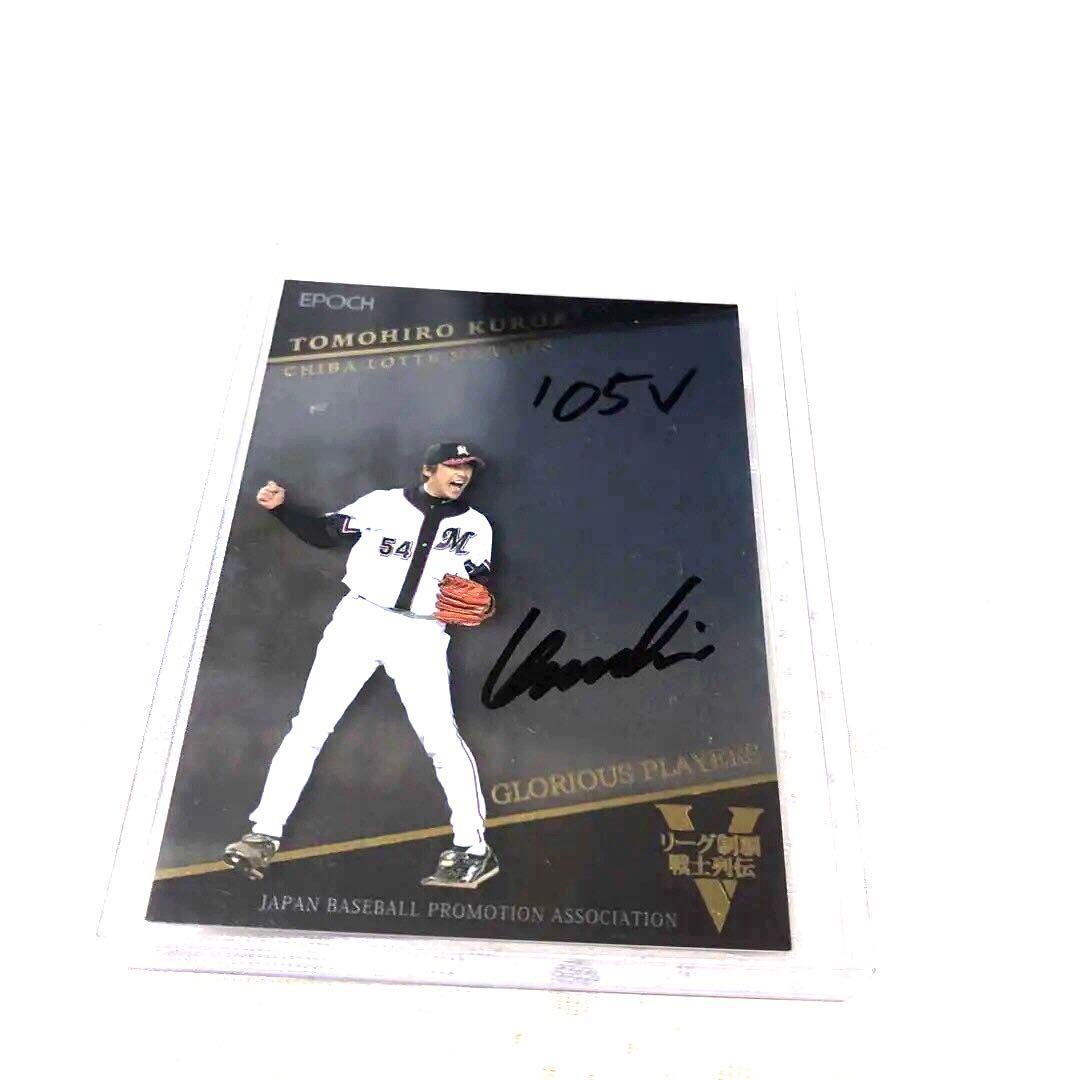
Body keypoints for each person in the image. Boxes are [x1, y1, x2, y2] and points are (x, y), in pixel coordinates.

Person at [223, 441, 498, 888]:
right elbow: (325, 533)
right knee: (308, 727)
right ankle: (263, 835)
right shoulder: (383, 504)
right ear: (428, 469)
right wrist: (282, 509)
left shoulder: (475, 525)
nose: (462, 473)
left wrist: (485, 599)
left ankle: (473, 848)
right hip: (360, 619)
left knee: (441, 738)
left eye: (468, 467)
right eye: (453, 465)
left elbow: (480, 582)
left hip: (421, 633)